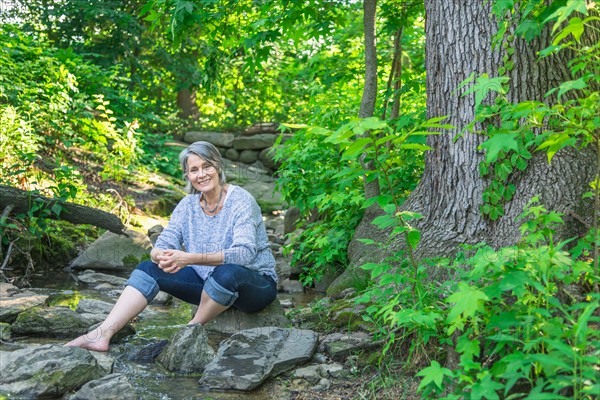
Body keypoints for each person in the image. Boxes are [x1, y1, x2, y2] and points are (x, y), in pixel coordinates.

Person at [66, 141, 278, 352]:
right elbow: (164, 243)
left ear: (218, 167)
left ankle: (189, 330)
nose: (201, 174)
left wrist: (189, 258)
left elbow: (245, 254)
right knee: (147, 269)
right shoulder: (187, 205)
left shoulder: (240, 200)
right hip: (208, 284)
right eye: (194, 170)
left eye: (207, 166)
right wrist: (160, 255)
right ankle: (102, 333)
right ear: (187, 175)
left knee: (227, 272)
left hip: (254, 285)